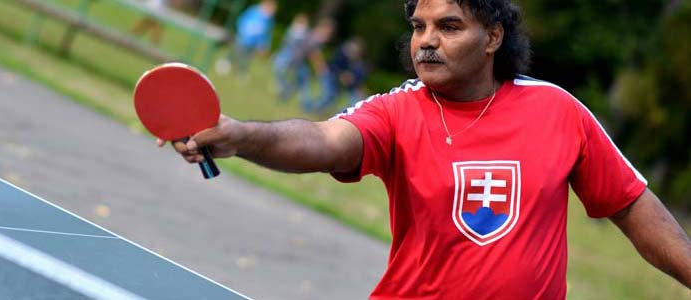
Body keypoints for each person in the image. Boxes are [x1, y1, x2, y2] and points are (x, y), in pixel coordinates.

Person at [158, 0, 691, 299]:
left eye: (448, 26)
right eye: (418, 27)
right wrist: (241, 136)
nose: (425, 41)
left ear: (493, 37)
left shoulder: (558, 111)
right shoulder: (397, 111)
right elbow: (323, 140)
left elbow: (631, 205)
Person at [274, 18, 335, 107]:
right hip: (293, 57)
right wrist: (320, 66)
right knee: (298, 78)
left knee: (302, 80)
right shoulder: (316, 36)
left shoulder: (314, 35)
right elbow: (314, 53)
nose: (328, 35)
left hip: (298, 60)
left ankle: (292, 96)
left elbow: (312, 52)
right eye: (328, 31)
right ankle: (303, 101)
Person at [306, 37, 368, 113]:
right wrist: (343, 75)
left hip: (338, 80)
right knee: (328, 96)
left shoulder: (353, 60)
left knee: (331, 97)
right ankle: (313, 108)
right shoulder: (342, 55)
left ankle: (317, 109)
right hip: (332, 76)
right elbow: (335, 67)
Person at [229, 0, 278, 76]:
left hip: (254, 43)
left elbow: (267, 34)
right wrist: (242, 30)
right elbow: (242, 20)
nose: (271, 13)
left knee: (247, 58)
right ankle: (228, 62)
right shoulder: (254, 11)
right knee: (237, 52)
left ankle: (241, 71)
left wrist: (265, 45)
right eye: (271, 10)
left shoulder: (269, 21)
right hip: (243, 38)